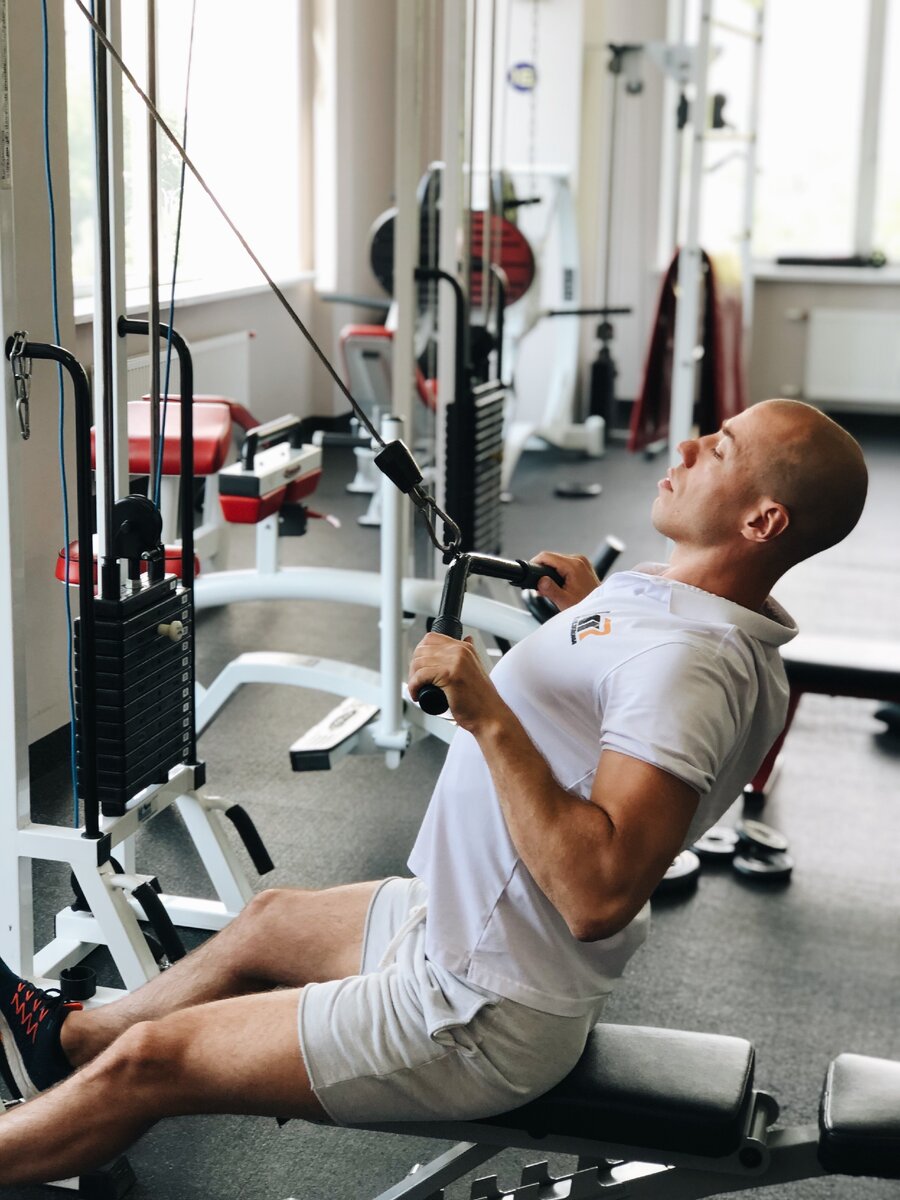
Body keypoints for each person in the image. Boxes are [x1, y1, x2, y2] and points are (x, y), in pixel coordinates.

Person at [0, 399, 868, 1188]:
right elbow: (636, 684)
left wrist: (486, 712)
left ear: (762, 520)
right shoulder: (690, 614)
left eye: (719, 448)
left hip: (477, 1007)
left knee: (153, 1062)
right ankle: (69, 1044)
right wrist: (591, 614)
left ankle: (74, 1100)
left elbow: (599, 893)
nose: (685, 447)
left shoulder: (687, 667)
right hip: (459, 923)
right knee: (267, 922)